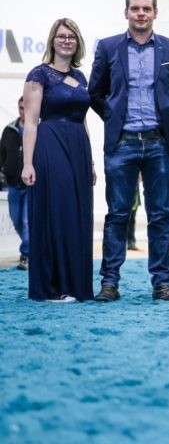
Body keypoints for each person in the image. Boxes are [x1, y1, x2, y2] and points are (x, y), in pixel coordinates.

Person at [88, 0, 169, 302]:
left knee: (160, 216)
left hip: (159, 143)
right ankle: (109, 283)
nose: (141, 13)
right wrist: (114, 117)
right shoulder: (108, 47)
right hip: (122, 144)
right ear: (126, 13)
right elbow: (95, 93)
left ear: (155, 13)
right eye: (135, 8)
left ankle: (162, 284)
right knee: (118, 215)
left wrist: (166, 118)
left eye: (146, 8)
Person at [21, 18, 96, 302]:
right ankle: (52, 287)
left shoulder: (81, 77)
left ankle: (75, 285)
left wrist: (90, 162)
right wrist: (28, 163)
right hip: (51, 146)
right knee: (57, 212)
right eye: (62, 36)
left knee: (78, 216)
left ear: (78, 42)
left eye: (72, 37)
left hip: (79, 148)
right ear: (53, 40)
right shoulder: (39, 74)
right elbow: (31, 122)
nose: (67, 41)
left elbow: (83, 120)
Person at [1, 96, 29, 270]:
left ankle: (26, 254)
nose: (23, 111)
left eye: (25, 108)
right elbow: (1, 153)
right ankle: (30, 248)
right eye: (20, 108)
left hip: (31, 185)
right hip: (13, 184)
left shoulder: (38, 129)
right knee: (16, 220)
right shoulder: (9, 129)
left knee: (26, 222)